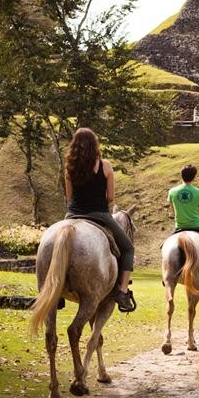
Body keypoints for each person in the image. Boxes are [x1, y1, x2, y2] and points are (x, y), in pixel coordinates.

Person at [63, 127, 137, 311]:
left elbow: (69, 196)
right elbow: (111, 197)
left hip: (72, 214)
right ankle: (122, 290)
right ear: (95, 144)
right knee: (128, 248)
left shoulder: (69, 167)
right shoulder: (105, 165)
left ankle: (54, 290)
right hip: (99, 214)